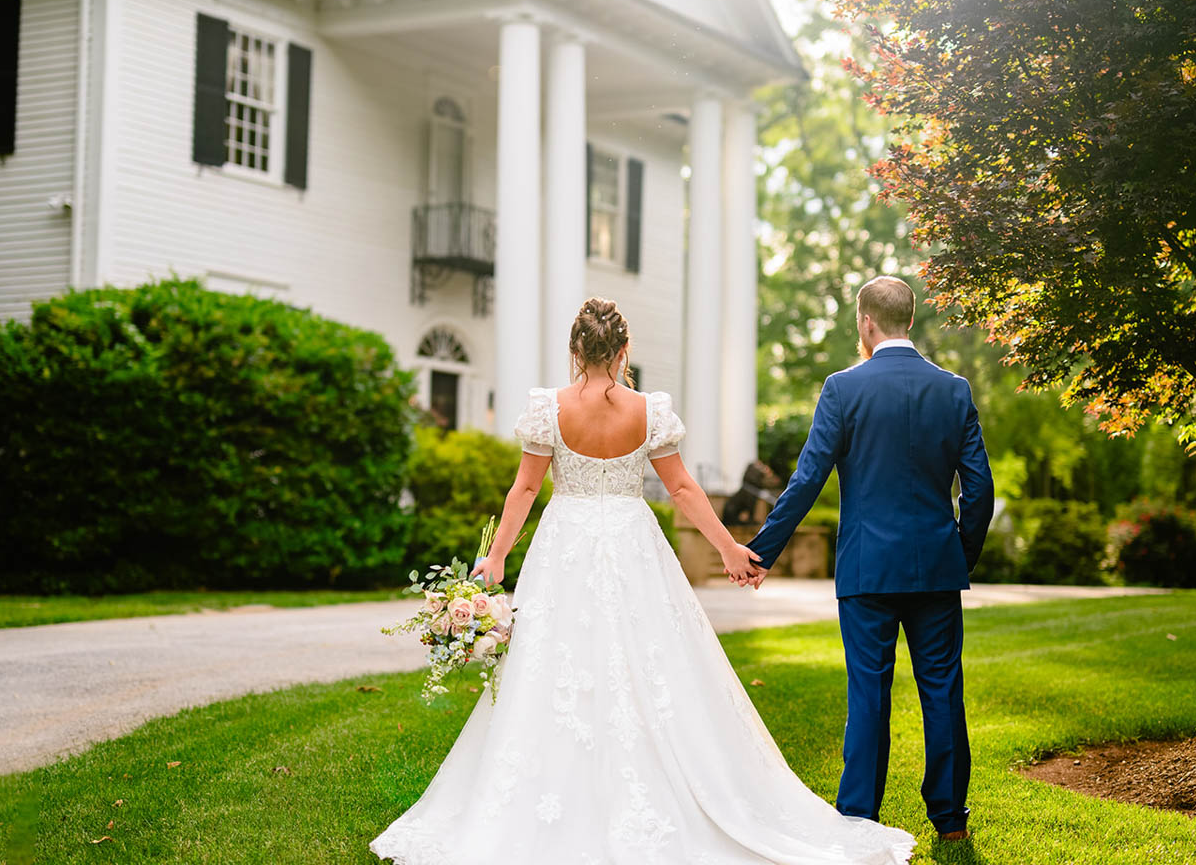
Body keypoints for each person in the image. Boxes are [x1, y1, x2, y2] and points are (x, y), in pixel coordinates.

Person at [371, 298, 915, 865]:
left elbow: (526, 491)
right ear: (624, 350)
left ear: (576, 350)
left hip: (566, 546)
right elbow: (682, 489)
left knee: (555, 667)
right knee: (656, 662)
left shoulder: (547, 409)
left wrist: (499, 557)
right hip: (633, 543)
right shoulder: (649, 411)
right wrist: (731, 548)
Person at [740, 276, 995, 844]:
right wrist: (959, 554)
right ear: (910, 319)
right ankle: (951, 822)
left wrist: (762, 552)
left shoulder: (842, 388)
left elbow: (808, 480)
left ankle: (858, 817)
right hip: (935, 567)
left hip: (866, 570)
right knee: (942, 692)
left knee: (869, 693)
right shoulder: (953, 390)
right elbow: (979, 489)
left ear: (866, 323)